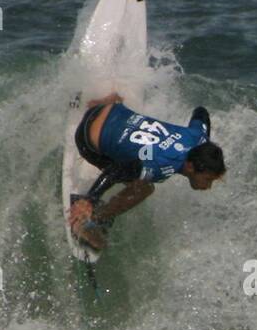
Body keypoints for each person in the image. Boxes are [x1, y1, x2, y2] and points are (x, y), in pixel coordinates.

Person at [67, 92, 226, 250]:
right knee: (144, 188)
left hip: (108, 109)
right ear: (190, 167)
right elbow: (115, 170)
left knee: (133, 157)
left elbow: (201, 112)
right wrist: (90, 199)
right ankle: (90, 220)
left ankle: (112, 100)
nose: (208, 186)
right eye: (207, 179)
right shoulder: (159, 165)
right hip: (85, 138)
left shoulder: (199, 137)